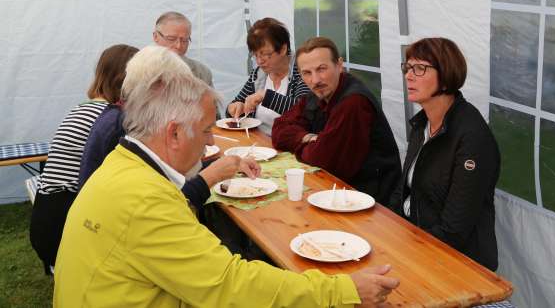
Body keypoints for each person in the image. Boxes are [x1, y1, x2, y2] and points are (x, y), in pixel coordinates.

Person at [53, 54, 400, 307]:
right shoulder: (144, 199)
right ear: (174, 133)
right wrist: (341, 291)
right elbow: (228, 285)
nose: (209, 143)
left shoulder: (124, 165)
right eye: (206, 131)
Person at [77, 45, 258, 210]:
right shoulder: (122, 127)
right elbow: (169, 201)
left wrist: (221, 165)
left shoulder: (125, 120)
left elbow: (166, 175)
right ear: (158, 90)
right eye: (179, 89)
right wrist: (211, 175)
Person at [390, 38, 501, 271]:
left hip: (457, 263)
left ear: (447, 73)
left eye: (420, 68)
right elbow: (404, 191)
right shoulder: (423, 124)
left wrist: (404, 252)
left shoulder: (472, 137)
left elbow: (454, 230)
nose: (409, 76)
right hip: (417, 243)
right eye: (407, 68)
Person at [30, 44, 138, 273]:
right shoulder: (111, 120)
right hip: (67, 229)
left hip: (44, 219)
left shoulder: (81, 109)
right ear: (126, 80)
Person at [271, 37, 401, 206]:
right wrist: (308, 138)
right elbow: (279, 130)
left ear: (339, 65)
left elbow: (322, 159)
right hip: (334, 191)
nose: (315, 80)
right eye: (307, 73)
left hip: (370, 203)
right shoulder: (318, 93)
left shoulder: (353, 102)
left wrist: (310, 145)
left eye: (321, 69)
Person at [227, 17, 309, 135]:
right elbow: (235, 105)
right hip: (258, 142)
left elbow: (304, 111)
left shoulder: (302, 71)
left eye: (265, 54)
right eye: (255, 55)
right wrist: (234, 108)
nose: (259, 61)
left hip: (288, 146)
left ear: (283, 49)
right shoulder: (259, 74)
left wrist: (266, 96)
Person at [152, 11, 213, 86]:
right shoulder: (139, 70)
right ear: (155, 37)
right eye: (171, 39)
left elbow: (212, 98)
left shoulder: (202, 72)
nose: (178, 46)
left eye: (184, 40)